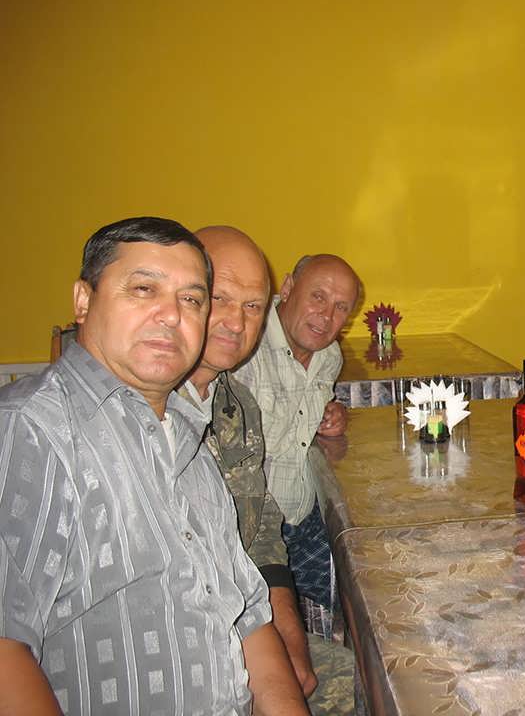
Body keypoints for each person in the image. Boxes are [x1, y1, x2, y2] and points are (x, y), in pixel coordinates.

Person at [0, 217, 307, 715]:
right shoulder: (31, 428)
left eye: (191, 299)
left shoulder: (188, 440)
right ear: (83, 300)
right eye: (144, 289)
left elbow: (249, 618)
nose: (171, 314)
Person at [180, 227, 354, 713]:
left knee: (364, 597)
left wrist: (288, 646)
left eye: (250, 306)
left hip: (279, 530)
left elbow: (255, 525)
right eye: (218, 299)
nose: (235, 322)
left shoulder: (233, 405)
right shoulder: (153, 405)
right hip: (198, 636)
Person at [234, 253, 360, 636]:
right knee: (279, 638)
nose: (327, 316)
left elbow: (305, 413)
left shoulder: (328, 356)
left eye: (341, 307)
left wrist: (333, 414)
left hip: (303, 521)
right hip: (249, 536)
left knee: (370, 592)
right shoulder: (243, 347)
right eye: (317, 297)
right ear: (288, 288)